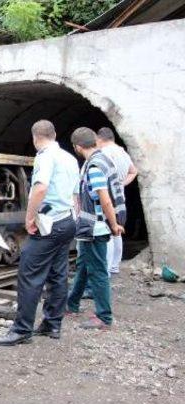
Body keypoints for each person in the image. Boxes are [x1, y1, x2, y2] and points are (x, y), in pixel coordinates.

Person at [0, 120, 79, 346]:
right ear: (54, 134)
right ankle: (53, 324)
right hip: (68, 220)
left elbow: (40, 187)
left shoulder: (45, 156)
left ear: (35, 137)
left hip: (50, 223)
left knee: (29, 273)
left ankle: (22, 330)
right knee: (58, 273)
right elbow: (75, 196)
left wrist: (29, 218)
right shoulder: (70, 158)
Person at [67, 127, 126, 330]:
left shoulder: (93, 167)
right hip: (91, 229)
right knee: (84, 265)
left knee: (98, 272)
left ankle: (104, 316)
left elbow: (105, 199)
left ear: (77, 147)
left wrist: (114, 224)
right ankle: (71, 304)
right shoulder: (104, 160)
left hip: (96, 227)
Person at [96, 127, 137, 275]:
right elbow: (134, 171)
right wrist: (121, 184)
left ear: (99, 139)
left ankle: (106, 268)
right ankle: (114, 266)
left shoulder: (104, 154)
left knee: (107, 232)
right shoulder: (122, 152)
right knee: (117, 232)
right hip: (120, 199)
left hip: (108, 197)